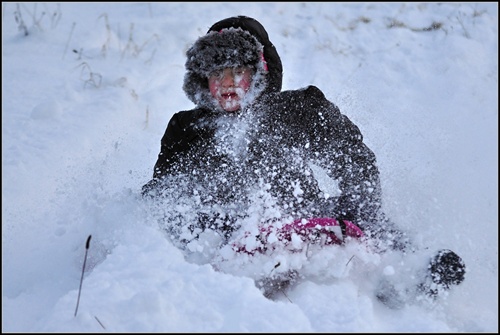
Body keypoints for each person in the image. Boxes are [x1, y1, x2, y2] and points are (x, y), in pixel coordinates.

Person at [142, 15, 465, 304]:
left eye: (237, 71)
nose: (227, 83)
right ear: (202, 81)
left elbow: (352, 156)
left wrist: (361, 200)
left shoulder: (295, 109)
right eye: (217, 73)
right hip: (226, 230)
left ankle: (405, 273)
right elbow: (164, 194)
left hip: (302, 221)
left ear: (257, 73)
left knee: (361, 210)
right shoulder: (186, 129)